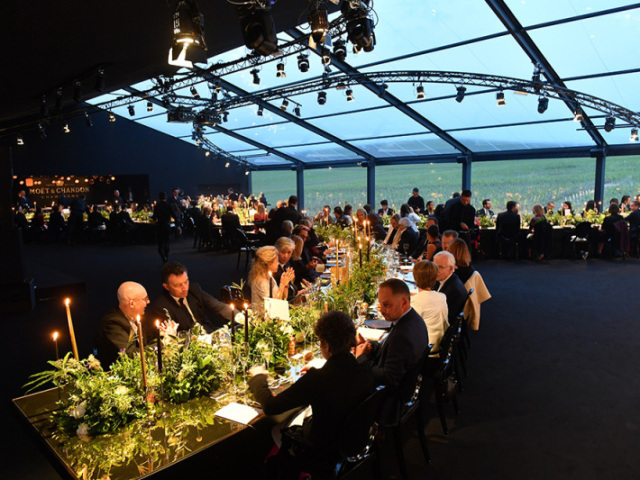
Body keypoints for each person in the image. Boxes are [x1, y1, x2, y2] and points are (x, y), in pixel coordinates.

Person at [248, 311, 374, 478]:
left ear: (326, 346)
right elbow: (340, 377)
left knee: (279, 428)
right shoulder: (365, 369)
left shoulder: (318, 379)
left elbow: (271, 406)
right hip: (351, 442)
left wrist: (258, 378)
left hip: (321, 450)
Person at [355, 278, 429, 388]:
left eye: (387, 305)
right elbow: (390, 350)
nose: (381, 310)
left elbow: (388, 377)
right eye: (380, 305)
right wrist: (369, 346)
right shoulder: (412, 318)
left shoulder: (402, 336)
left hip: (391, 396)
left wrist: (361, 358)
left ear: (404, 302)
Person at [149, 262, 232, 333]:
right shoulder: (161, 307)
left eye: (186, 282)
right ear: (166, 286)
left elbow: (218, 306)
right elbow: (172, 337)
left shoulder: (194, 289)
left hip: (210, 332)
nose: (184, 288)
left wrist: (242, 318)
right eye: (178, 285)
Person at [96, 281, 151, 369]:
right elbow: (130, 355)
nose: (148, 302)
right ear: (132, 303)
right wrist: (162, 344)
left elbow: (148, 341)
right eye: (145, 299)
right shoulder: (112, 323)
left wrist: (163, 335)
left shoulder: (138, 317)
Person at [410, 260, 448, 353]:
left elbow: (407, 328)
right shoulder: (442, 296)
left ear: (415, 278)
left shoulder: (415, 302)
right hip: (439, 345)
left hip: (424, 350)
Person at [249, 246, 295, 312]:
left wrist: (286, 283)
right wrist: (282, 285)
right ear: (269, 264)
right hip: (263, 319)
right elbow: (273, 306)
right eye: (276, 262)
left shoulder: (269, 277)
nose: (278, 264)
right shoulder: (260, 281)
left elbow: (283, 299)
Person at [433, 251, 468, 322]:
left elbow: (441, 317)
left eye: (440, 267)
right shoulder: (443, 279)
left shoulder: (454, 290)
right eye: (434, 266)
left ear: (451, 269)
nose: (436, 270)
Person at [152, 191, 176, 263]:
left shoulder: (157, 206)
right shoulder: (169, 205)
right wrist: (178, 225)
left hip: (159, 226)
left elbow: (154, 217)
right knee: (167, 242)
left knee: (160, 245)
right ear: (166, 197)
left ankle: (163, 258)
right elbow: (174, 216)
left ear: (159, 197)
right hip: (167, 226)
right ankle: (166, 257)